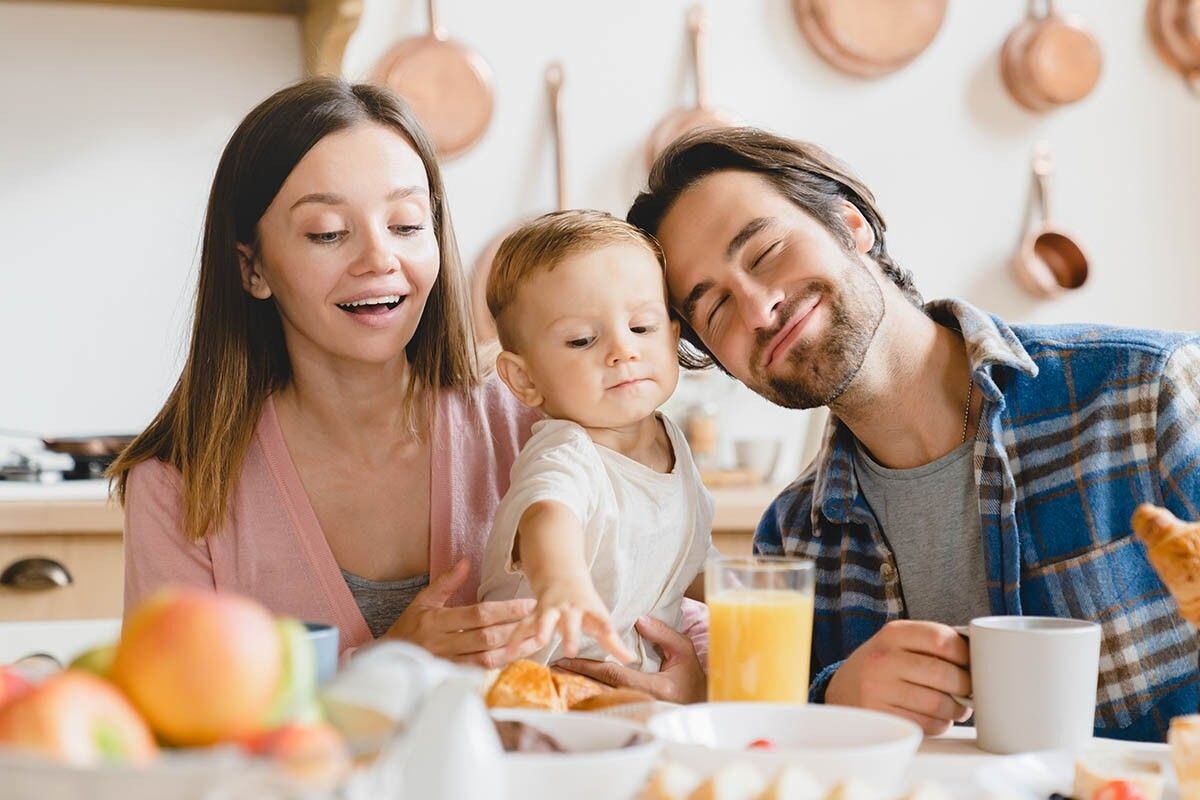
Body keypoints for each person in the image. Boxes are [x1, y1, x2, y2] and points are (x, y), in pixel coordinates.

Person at [106, 79, 713, 696]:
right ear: (252, 267)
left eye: (405, 224)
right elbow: (167, 717)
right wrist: (380, 667)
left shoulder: (535, 411)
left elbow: (650, 587)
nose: (379, 259)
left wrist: (696, 678)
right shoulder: (181, 484)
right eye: (326, 232)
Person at [624, 126, 1200, 741]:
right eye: (715, 310)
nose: (760, 308)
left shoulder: (1149, 393)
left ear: (850, 224)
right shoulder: (793, 539)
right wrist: (830, 704)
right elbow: (787, 753)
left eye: (765, 253)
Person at [477, 210, 713, 672]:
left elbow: (692, 555)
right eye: (583, 340)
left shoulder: (673, 443)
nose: (622, 350)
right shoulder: (566, 450)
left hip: (631, 684)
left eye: (642, 328)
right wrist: (561, 581)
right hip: (541, 683)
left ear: (672, 338)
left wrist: (744, 595)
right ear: (524, 379)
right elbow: (548, 514)